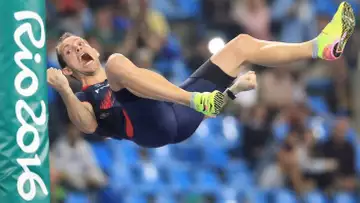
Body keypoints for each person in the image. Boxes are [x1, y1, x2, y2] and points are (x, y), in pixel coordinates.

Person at [48, 2, 355, 148]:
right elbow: (87, 126)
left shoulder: (118, 68)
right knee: (118, 64)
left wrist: (232, 91)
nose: (78, 47)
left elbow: (199, 110)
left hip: (179, 117)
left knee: (242, 46)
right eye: (71, 52)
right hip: (151, 128)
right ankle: (194, 98)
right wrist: (63, 89)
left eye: (79, 42)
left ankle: (319, 47)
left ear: (93, 48)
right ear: (67, 69)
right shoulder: (84, 96)